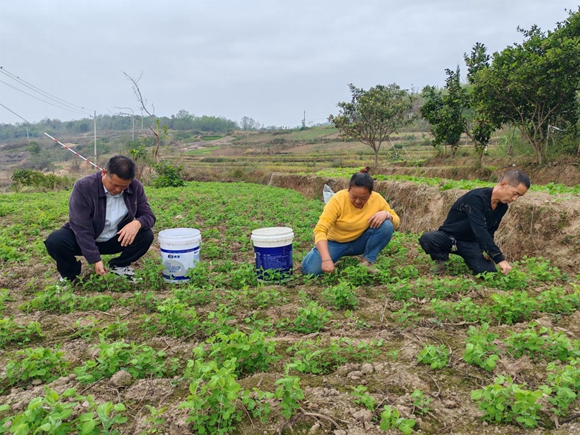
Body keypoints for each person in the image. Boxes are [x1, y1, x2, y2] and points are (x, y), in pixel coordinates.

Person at [45, 155, 156, 283]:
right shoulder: (84, 186)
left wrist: (138, 223)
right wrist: (94, 258)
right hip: (85, 240)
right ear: (104, 172)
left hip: (116, 238)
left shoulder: (135, 187)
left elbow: (148, 215)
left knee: (146, 235)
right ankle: (70, 275)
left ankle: (119, 266)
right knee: (56, 241)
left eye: (124, 187)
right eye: (114, 185)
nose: (118, 190)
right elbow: (81, 227)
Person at [419, 170, 530, 276]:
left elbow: (490, 230)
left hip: (470, 243)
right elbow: (480, 229)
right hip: (449, 238)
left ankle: (472, 257)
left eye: (519, 196)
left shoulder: (502, 207)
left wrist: (486, 251)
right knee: (428, 239)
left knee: (488, 273)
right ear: (503, 184)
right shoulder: (476, 198)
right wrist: (499, 258)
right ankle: (442, 260)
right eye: (515, 193)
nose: (515, 199)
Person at [301, 170, 400, 275]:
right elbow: (320, 230)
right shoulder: (337, 200)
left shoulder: (377, 199)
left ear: (370, 194)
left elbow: (396, 223)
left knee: (387, 225)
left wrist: (387, 214)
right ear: (348, 190)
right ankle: (319, 251)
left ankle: (366, 263)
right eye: (354, 197)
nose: (357, 201)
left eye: (362, 198)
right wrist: (325, 259)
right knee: (310, 271)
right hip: (335, 243)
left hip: (358, 241)